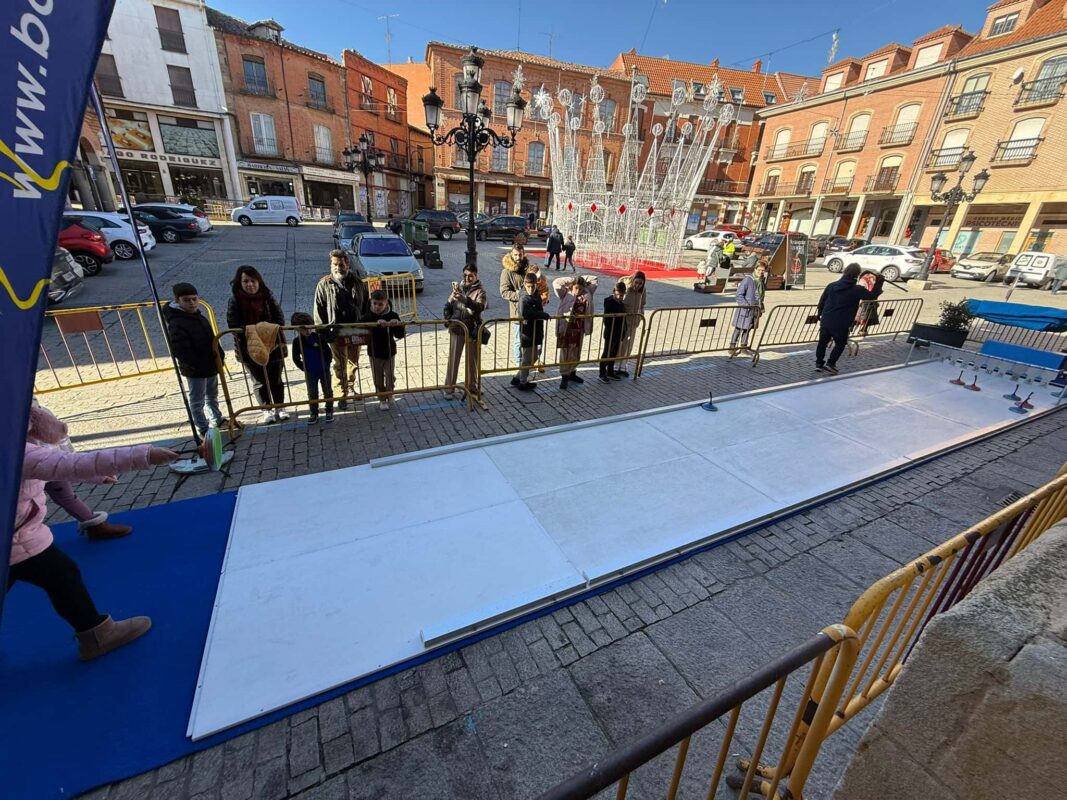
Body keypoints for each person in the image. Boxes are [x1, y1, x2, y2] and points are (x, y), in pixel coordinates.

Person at [12, 402, 179, 661]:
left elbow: (60, 466)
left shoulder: (19, 444)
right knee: (63, 576)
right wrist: (146, 455)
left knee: (61, 576)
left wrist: (97, 476)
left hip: (18, 535)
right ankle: (98, 636)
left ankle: (96, 635)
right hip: (17, 540)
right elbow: (72, 463)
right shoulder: (16, 449)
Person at [31, 400, 131, 540]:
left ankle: (95, 526)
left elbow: (63, 444)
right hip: (33, 470)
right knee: (26, 505)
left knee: (65, 496)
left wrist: (94, 472)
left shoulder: (41, 412)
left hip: (53, 464)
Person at [226, 265, 289, 424]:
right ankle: (266, 409)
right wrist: (252, 331)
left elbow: (279, 319)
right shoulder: (235, 301)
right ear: (239, 283)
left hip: (273, 346)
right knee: (259, 381)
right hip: (249, 348)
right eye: (246, 281)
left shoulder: (268, 297)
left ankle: (280, 407)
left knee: (276, 379)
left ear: (259, 281)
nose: (250, 284)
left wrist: (264, 330)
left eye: (253, 281)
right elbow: (233, 324)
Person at [164, 282, 225, 438]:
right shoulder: (177, 322)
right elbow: (179, 349)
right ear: (177, 301)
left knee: (212, 395)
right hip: (196, 369)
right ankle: (202, 427)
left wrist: (219, 355)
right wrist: (195, 364)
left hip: (211, 364)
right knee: (197, 400)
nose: (192, 303)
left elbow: (211, 337)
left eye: (194, 299)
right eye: (186, 300)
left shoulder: (198, 316)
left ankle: (216, 419)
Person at [314, 249, 369, 410]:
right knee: (339, 364)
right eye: (335, 264)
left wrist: (366, 327)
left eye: (341, 264)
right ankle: (341, 393)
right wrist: (323, 332)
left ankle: (350, 386)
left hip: (355, 331)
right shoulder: (324, 284)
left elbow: (366, 304)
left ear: (347, 264)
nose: (338, 268)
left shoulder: (358, 283)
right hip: (336, 333)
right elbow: (319, 310)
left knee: (353, 362)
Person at [816, 263, 884, 375]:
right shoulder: (856, 289)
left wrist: (819, 314)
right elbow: (871, 295)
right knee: (840, 343)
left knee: (822, 343)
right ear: (857, 275)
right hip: (841, 322)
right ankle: (830, 363)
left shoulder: (832, 286)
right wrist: (879, 282)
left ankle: (819, 364)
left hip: (827, 319)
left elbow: (822, 301)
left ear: (845, 272)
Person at [443, 264, 487, 400]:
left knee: (472, 360)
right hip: (457, 329)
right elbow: (447, 306)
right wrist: (449, 319)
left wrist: (466, 300)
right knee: (453, 359)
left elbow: (480, 307)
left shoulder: (480, 292)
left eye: (470, 276)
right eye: (465, 275)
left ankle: (472, 386)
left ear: (476, 276)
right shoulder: (458, 288)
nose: (467, 278)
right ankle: (449, 388)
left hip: (471, 329)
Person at [364, 289, 406, 410]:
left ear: (386, 303)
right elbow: (362, 330)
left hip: (389, 351)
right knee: (378, 378)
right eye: (374, 303)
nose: (377, 307)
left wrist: (397, 324)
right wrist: (375, 324)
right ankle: (382, 399)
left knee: (390, 376)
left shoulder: (393, 315)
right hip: (374, 353)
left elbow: (400, 335)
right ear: (371, 302)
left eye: (380, 304)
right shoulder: (367, 316)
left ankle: (390, 393)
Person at [554, 274, 598, 388]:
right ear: (572, 286)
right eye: (576, 288)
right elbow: (556, 283)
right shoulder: (565, 292)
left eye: (580, 289)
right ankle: (564, 375)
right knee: (565, 352)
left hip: (579, 328)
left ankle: (572, 372)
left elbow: (594, 279)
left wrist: (582, 281)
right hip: (566, 327)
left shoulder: (587, 293)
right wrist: (572, 279)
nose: (578, 291)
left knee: (576, 351)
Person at [290, 312, 333, 424]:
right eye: (304, 329)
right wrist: (304, 368)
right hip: (310, 371)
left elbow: (328, 351)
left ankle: (329, 410)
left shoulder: (318, 337)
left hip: (323, 369)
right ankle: (314, 412)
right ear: (297, 329)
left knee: (327, 390)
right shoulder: (297, 342)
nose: (308, 331)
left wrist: (327, 364)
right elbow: (295, 358)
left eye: (309, 328)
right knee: (312, 393)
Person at [514, 272, 550, 391]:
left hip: (536, 330)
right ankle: (522, 382)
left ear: (536, 285)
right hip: (527, 332)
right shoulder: (524, 297)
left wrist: (540, 313)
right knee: (527, 358)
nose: (530, 289)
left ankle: (517, 377)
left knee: (534, 357)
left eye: (532, 286)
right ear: (525, 284)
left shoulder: (536, 295)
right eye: (528, 286)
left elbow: (538, 308)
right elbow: (526, 313)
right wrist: (541, 314)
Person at [500, 243, 529, 366]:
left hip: (530, 311)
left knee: (530, 338)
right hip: (517, 312)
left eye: (520, 255)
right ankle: (518, 362)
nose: (518, 257)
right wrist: (520, 296)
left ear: (523, 254)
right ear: (511, 255)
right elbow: (504, 292)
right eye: (515, 255)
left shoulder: (527, 269)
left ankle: (528, 360)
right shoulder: (506, 272)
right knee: (519, 339)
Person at [730, 262, 767, 354]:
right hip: (745, 309)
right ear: (755, 269)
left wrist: (761, 307)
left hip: (755, 309)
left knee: (748, 329)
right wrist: (746, 305)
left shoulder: (761, 281)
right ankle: (732, 347)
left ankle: (744, 348)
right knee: (739, 328)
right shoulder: (748, 279)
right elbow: (739, 295)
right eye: (759, 270)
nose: (761, 272)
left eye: (763, 270)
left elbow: (761, 296)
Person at [617, 271, 647, 377]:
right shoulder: (625, 287)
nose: (637, 285)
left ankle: (623, 366)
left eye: (640, 284)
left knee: (629, 345)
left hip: (634, 322)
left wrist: (641, 314)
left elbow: (642, 304)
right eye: (636, 282)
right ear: (633, 280)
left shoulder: (642, 291)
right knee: (620, 344)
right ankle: (615, 365)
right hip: (623, 321)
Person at [600, 281, 628, 381]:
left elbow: (624, 318)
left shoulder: (621, 304)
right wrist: (611, 330)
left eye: (621, 295)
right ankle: (602, 373)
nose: (619, 297)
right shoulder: (609, 302)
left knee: (614, 352)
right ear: (614, 292)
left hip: (619, 332)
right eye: (618, 295)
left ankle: (610, 371)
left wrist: (624, 330)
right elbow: (606, 319)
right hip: (610, 332)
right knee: (607, 352)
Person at [854, 272, 881, 336]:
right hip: (863, 304)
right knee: (857, 319)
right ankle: (851, 331)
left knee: (868, 318)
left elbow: (874, 293)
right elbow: (867, 294)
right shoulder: (864, 280)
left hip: (870, 304)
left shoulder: (874, 282)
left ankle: (863, 330)